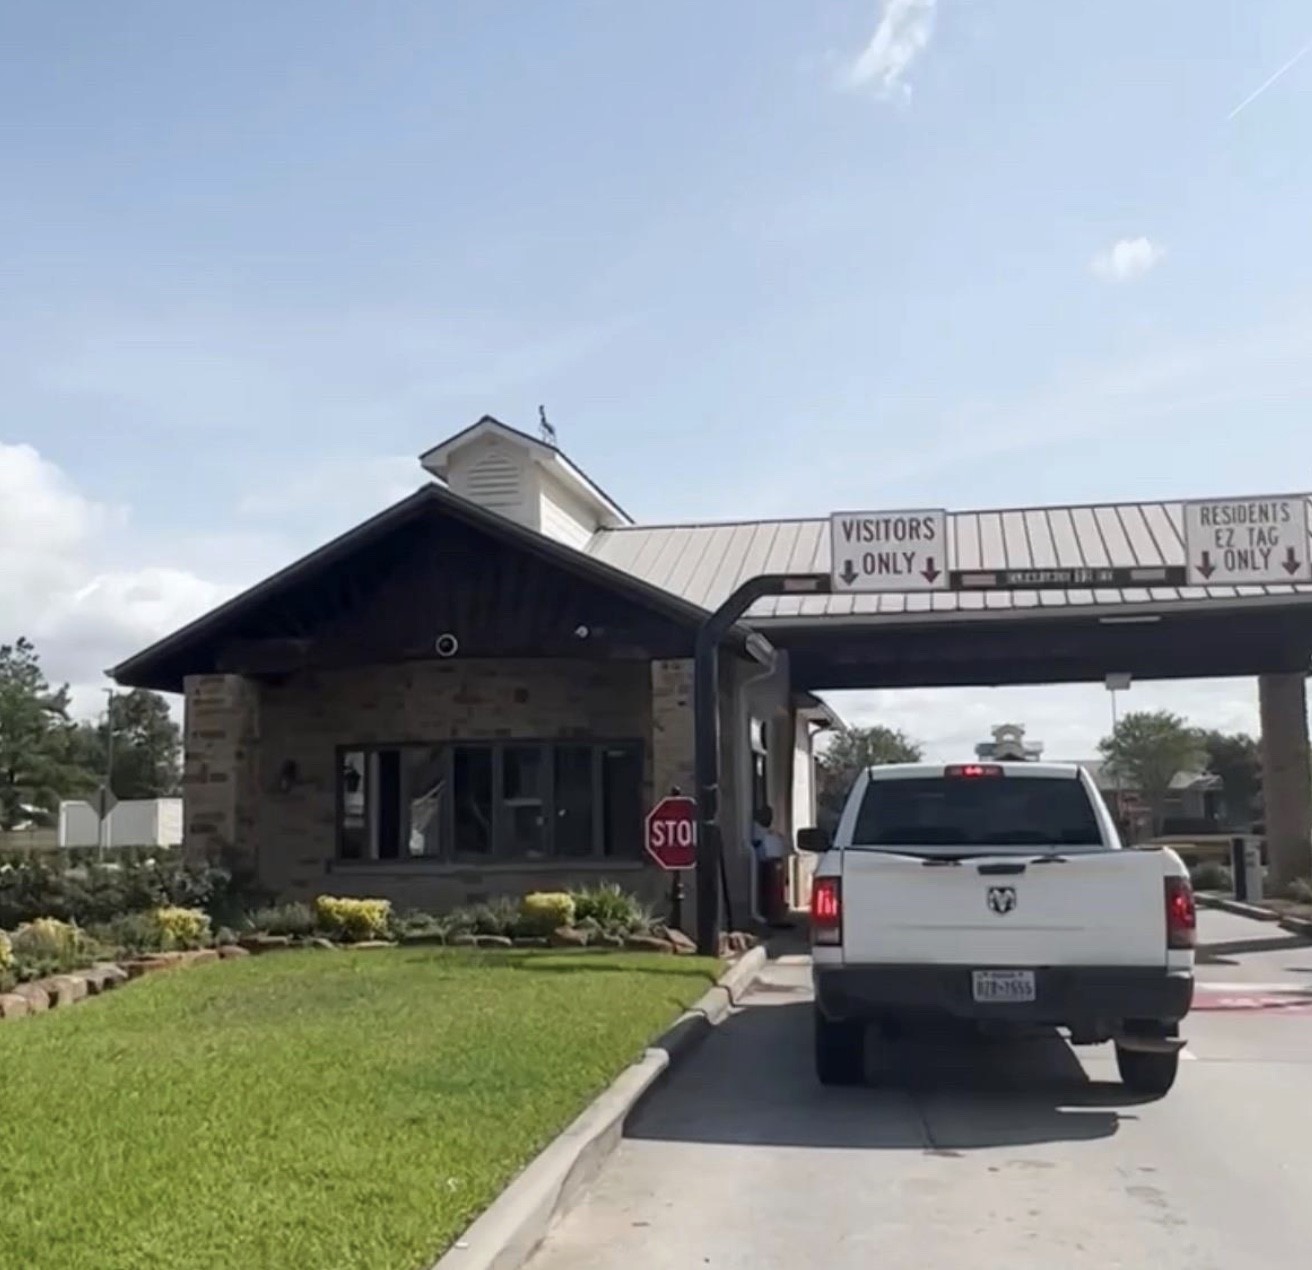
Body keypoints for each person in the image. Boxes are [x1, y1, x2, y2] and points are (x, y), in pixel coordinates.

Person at [751, 806, 790, 927]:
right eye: (766, 815)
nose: (769, 818)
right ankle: (772, 916)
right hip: (767, 865)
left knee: (775, 892)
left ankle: (775, 915)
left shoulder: (767, 832)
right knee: (770, 893)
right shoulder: (756, 830)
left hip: (772, 864)